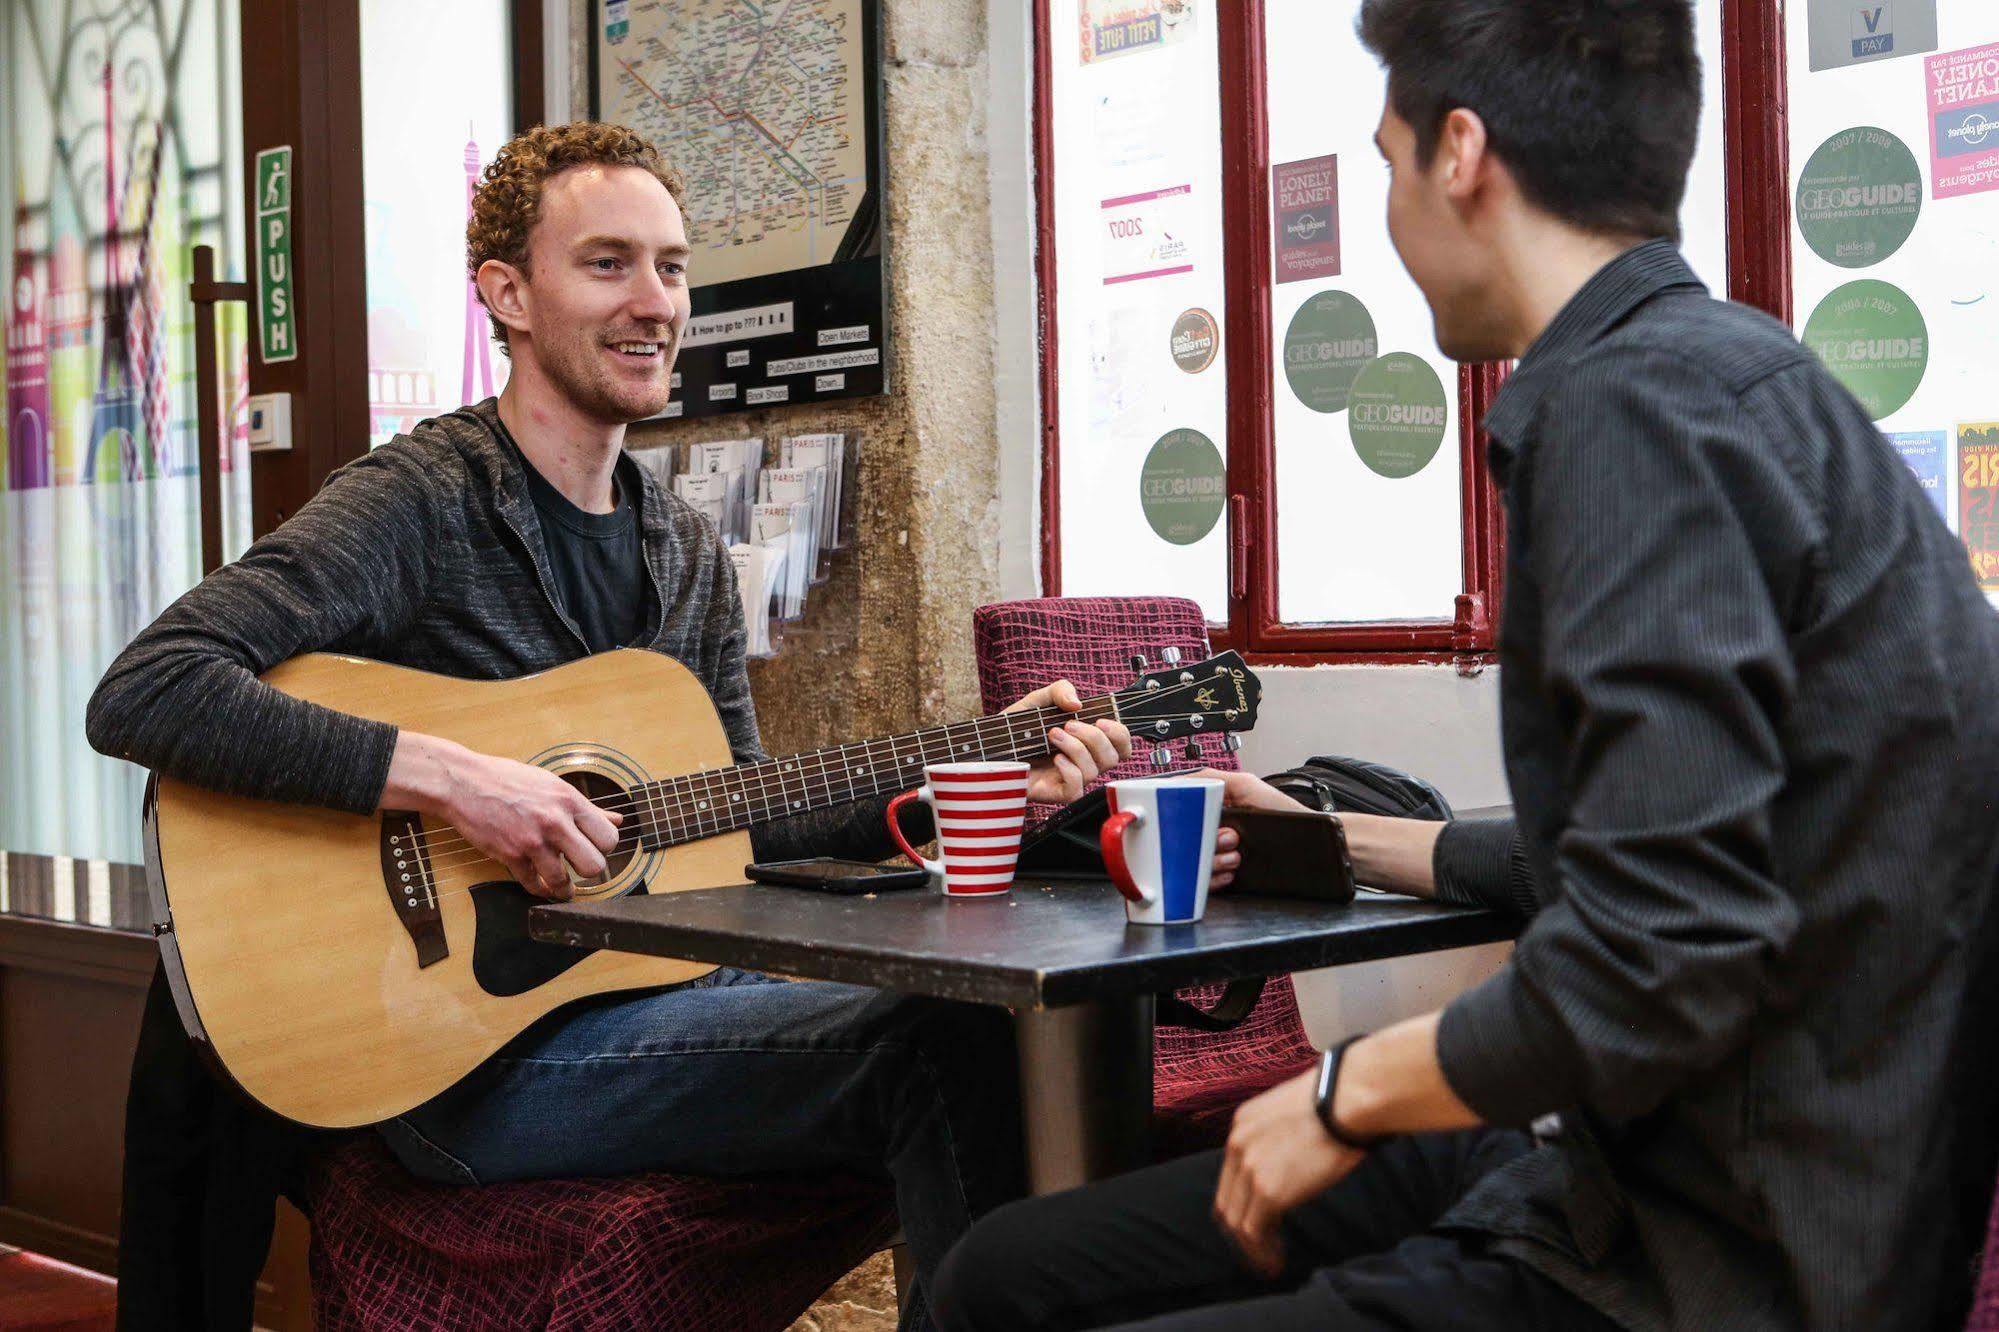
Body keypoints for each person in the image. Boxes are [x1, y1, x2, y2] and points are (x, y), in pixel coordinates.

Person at [932, 2, 1999, 1329]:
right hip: (1650, 1171)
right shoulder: (1736, 380)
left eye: (1380, 163)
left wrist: (1343, 1091)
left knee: (1011, 1293)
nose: (1383, 210)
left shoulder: (1629, 419)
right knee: (1003, 1274)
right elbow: (1675, 837)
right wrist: (1336, 836)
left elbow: (1658, 950)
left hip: (1698, 1266)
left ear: (1458, 152)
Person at [86, 121, 1131, 1331]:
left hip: (629, 1007)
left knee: (979, 1017)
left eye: (674, 267)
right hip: (451, 1059)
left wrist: (979, 770)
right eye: (608, 264)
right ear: (508, 295)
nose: (655, 303)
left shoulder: (681, 552)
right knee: (935, 1050)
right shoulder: (421, 501)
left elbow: (744, 819)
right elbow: (150, 686)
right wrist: (453, 783)